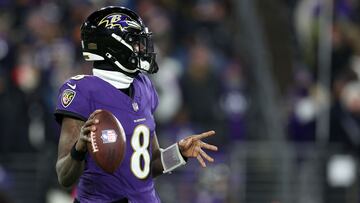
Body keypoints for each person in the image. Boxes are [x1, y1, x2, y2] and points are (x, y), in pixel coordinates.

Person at [54, 6, 218, 203]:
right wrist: (79, 148)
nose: (142, 48)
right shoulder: (82, 90)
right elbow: (64, 177)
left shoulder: (143, 85)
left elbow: (147, 166)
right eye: (135, 43)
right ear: (113, 47)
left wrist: (179, 154)